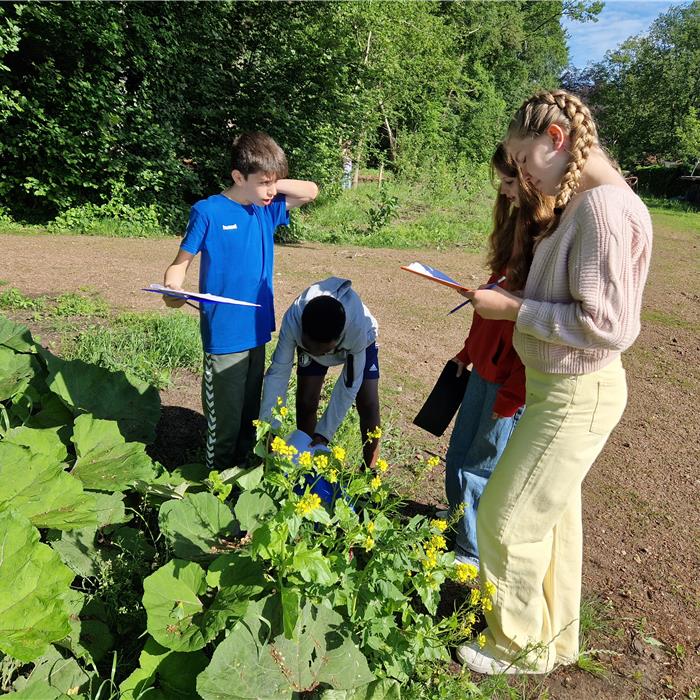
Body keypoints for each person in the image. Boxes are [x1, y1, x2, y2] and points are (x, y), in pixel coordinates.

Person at [456, 90, 653, 675]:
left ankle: (517, 647)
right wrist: (520, 299)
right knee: (552, 520)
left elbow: (610, 326)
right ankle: (555, 639)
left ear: (557, 140)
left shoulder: (603, 209)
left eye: (522, 161)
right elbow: (580, 303)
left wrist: (515, 312)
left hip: (574, 395)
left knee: (504, 519)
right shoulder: (592, 204)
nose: (520, 174)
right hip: (560, 389)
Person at [162, 132, 318, 471]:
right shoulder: (208, 211)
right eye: (264, 184)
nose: (271, 191)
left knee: (251, 414)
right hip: (225, 336)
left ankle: (243, 471)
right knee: (226, 420)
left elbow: (310, 191)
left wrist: (269, 177)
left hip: (257, 331)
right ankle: (215, 480)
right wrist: (173, 290)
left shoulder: (265, 208)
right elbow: (178, 266)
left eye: (274, 184)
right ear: (237, 177)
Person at [444, 144, 553, 570]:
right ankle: (457, 523)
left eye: (510, 182)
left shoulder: (544, 246)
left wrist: (514, 393)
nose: (504, 192)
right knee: (459, 452)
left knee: (482, 463)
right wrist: (467, 351)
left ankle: (471, 549)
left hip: (510, 381)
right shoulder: (513, 241)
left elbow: (532, 329)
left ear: (530, 182)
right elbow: (491, 320)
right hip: (482, 370)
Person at [259, 277, 380, 468]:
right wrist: (268, 427)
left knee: (368, 402)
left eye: (322, 351)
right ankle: (304, 463)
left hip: (363, 341)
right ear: (302, 333)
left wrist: (325, 432)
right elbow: (278, 372)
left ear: (337, 340)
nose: (318, 354)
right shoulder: (294, 319)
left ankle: (370, 471)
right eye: (310, 348)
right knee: (306, 402)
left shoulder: (357, 328)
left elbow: (349, 385)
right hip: (316, 337)